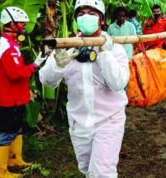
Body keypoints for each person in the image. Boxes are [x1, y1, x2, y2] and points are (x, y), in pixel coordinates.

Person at [39, 0, 129, 177]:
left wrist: (104, 52)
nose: (85, 17)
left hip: (108, 121)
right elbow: (47, 81)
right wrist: (58, 64)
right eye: (81, 14)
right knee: (87, 170)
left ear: (101, 19)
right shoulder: (67, 47)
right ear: (76, 19)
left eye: (91, 13)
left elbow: (118, 83)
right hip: (78, 122)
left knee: (102, 173)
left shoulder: (115, 49)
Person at [0, 6, 46, 177]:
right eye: (21, 24)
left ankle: (14, 159)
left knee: (16, 128)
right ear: (11, 24)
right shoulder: (7, 47)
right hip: (9, 98)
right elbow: (15, 73)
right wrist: (35, 65)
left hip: (16, 96)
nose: (24, 27)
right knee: (7, 131)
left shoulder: (11, 44)